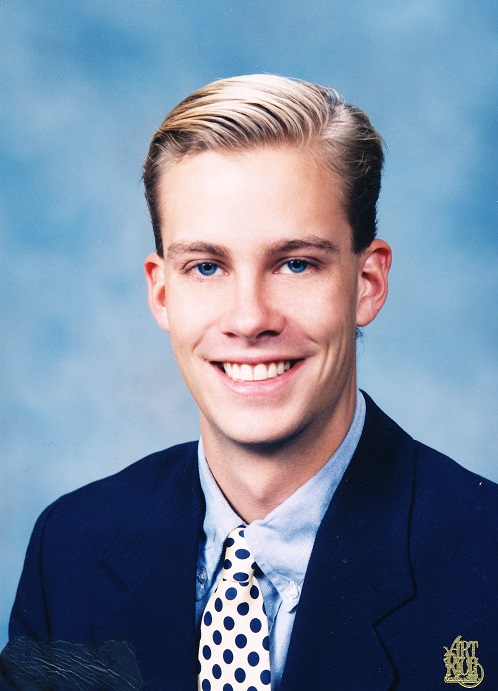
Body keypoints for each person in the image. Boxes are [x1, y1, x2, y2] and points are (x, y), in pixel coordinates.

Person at [1, 74, 497, 690]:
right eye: (205, 267)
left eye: (296, 264)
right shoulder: (73, 549)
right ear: (162, 292)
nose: (249, 319)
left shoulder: (487, 559)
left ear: (367, 283)